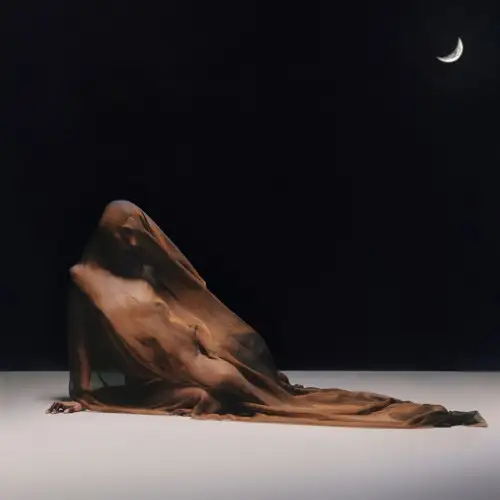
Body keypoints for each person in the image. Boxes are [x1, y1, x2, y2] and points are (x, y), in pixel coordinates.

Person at [47, 200, 486, 429]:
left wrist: (197, 329)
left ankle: (394, 412)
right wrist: (82, 392)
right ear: (106, 232)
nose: (133, 242)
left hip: (202, 360)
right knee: (274, 403)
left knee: (287, 402)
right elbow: (81, 339)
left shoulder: (142, 268)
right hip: (177, 376)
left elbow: (173, 308)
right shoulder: (84, 280)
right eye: (124, 234)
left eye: (136, 233)